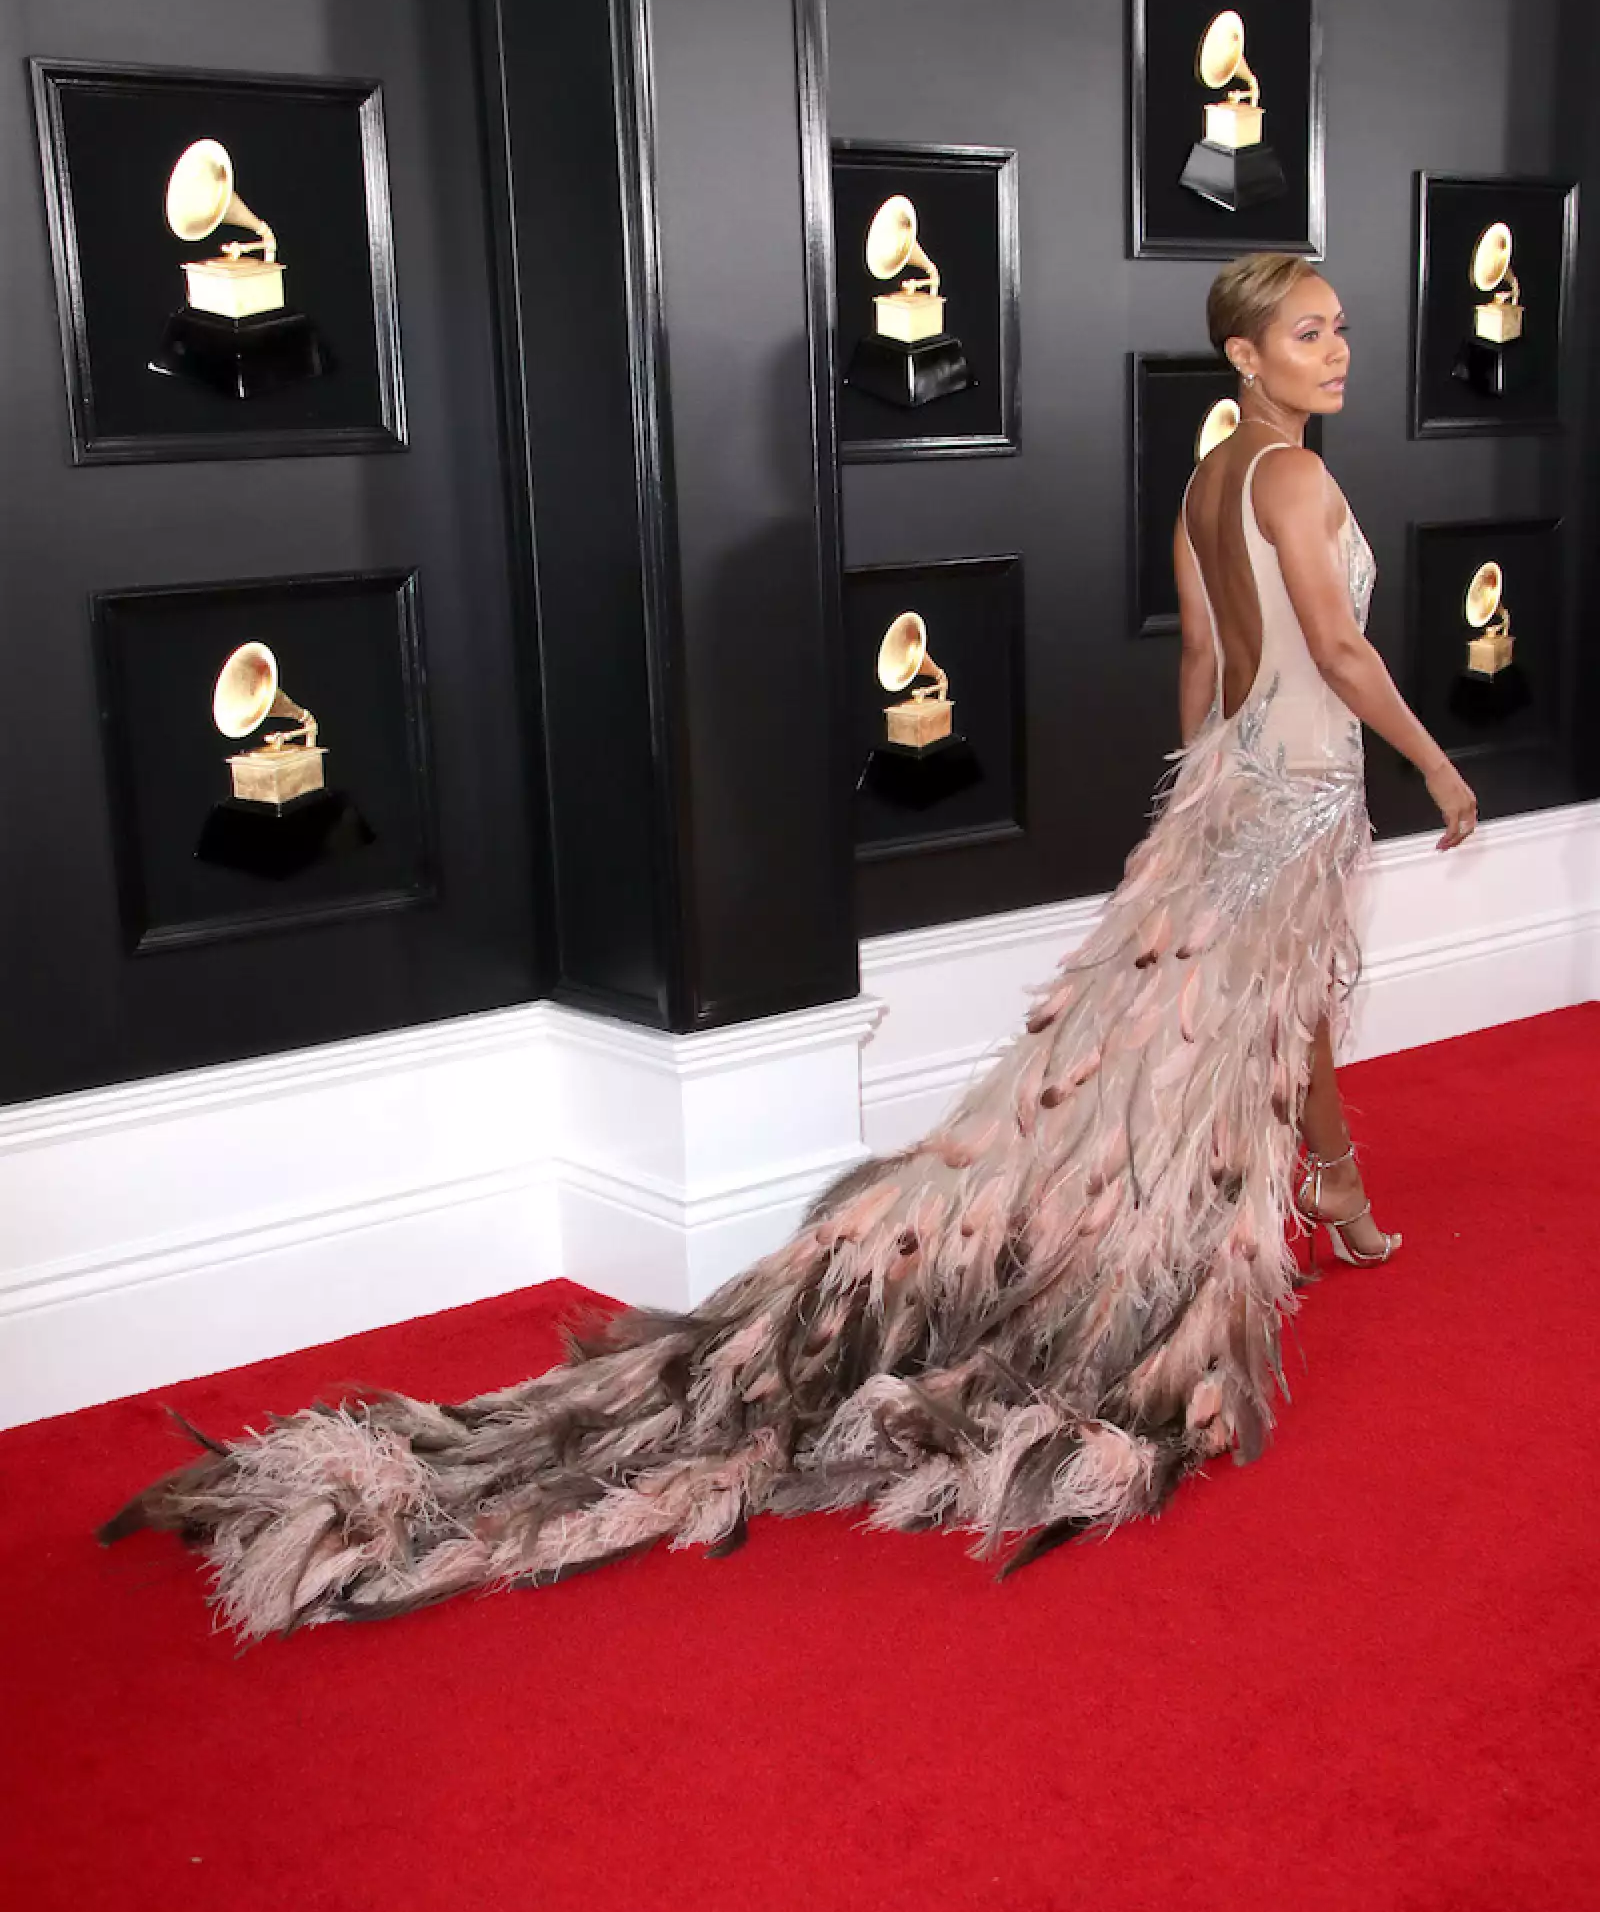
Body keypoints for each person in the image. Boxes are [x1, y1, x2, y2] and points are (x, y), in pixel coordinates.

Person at [101, 252, 1478, 1640]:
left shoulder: (1209, 476)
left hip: (1234, 778)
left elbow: (1198, 654)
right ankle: (1296, 1212)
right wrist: (1436, 767)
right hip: (1297, 784)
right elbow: (1342, 655)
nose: (1339, 350)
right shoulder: (1295, 479)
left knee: (1262, 999)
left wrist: (1197, 793)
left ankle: (1342, 1194)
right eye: (1310, 333)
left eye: (1343, 328)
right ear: (1245, 357)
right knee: (1260, 997)